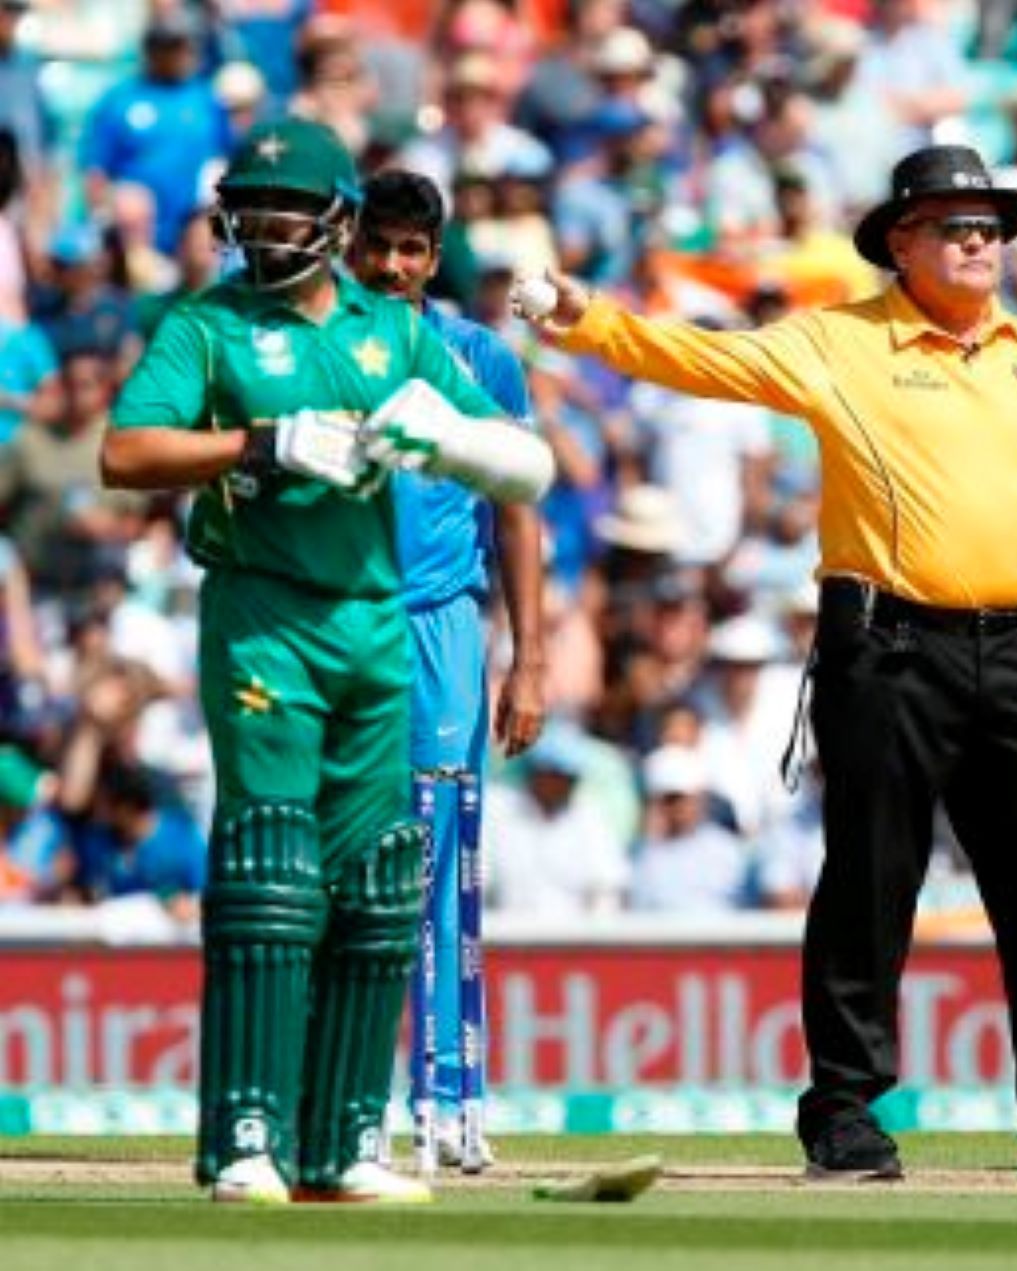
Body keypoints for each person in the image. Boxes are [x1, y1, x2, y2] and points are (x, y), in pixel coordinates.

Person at [515, 144, 1017, 1183]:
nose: (979, 238)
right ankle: (845, 1110)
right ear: (901, 242)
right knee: (868, 880)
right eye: (952, 222)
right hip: (892, 641)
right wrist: (585, 319)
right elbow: (699, 357)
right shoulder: (838, 341)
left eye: (988, 222)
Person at [100, 119, 553, 1205]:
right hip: (264, 609)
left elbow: (525, 465)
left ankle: (346, 1140)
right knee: (272, 864)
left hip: (375, 620)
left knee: (379, 880)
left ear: (334, 220)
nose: (263, 233)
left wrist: (437, 436)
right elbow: (127, 452)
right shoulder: (208, 323)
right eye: (249, 215)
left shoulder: (387, 332)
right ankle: (245, 1135)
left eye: (285, 215)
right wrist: (261, 442)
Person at [346, 166, 548, 1174]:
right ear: (351, 244)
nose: (390, 264)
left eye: (409, 249)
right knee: (339, 866)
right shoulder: (320, 349)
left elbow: (516, 508)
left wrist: (529, 658)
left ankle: (448, 1094)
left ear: (433, 257)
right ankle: (342, 1097)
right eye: (376, 244)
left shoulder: (478, 357)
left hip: (438, 628)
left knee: (434, 861)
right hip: (333, 624)